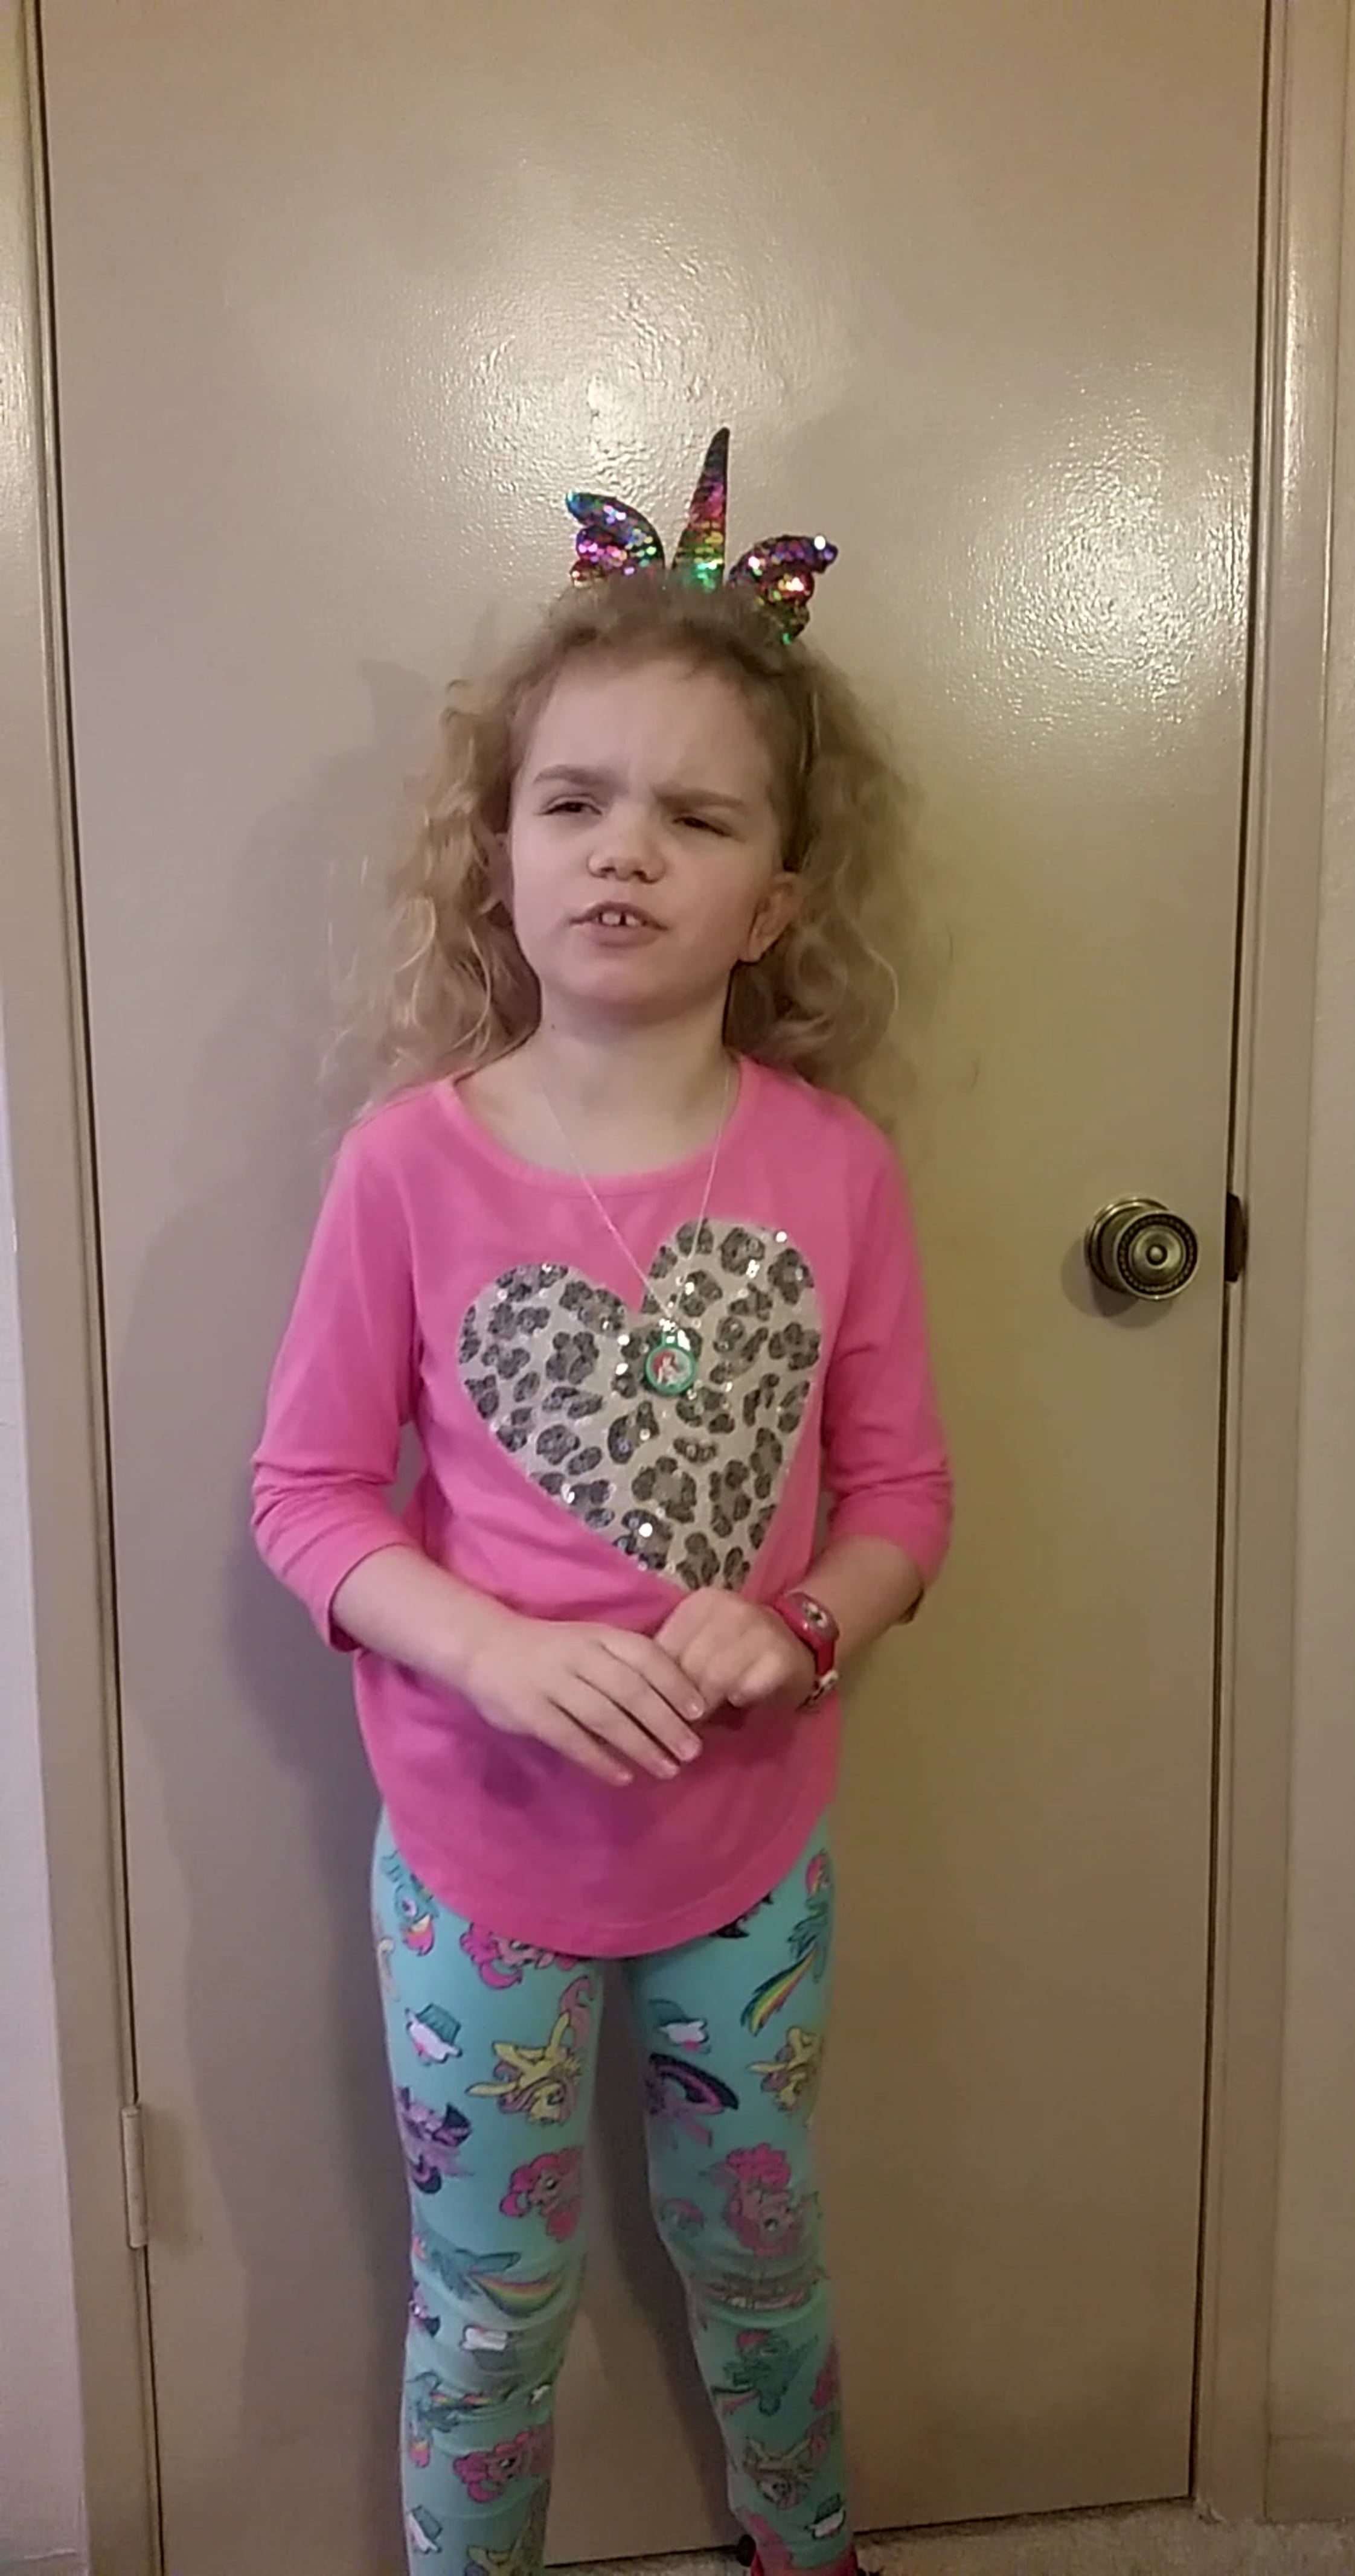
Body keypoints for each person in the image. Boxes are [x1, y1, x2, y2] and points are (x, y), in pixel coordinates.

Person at [252, 430, 952, 2576]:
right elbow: (305, 1496)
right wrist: (495, 1646)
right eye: (573, 800)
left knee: (762, 2255)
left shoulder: (834, 1168)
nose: (624, 848)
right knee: (491, 2309)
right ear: (503, 853)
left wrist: (805, 1620)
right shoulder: (408, 1167)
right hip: (477, 1863)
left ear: (777, 898)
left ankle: (806, 2543)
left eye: (696, 814)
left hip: (748, 1859)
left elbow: (903, 1496)